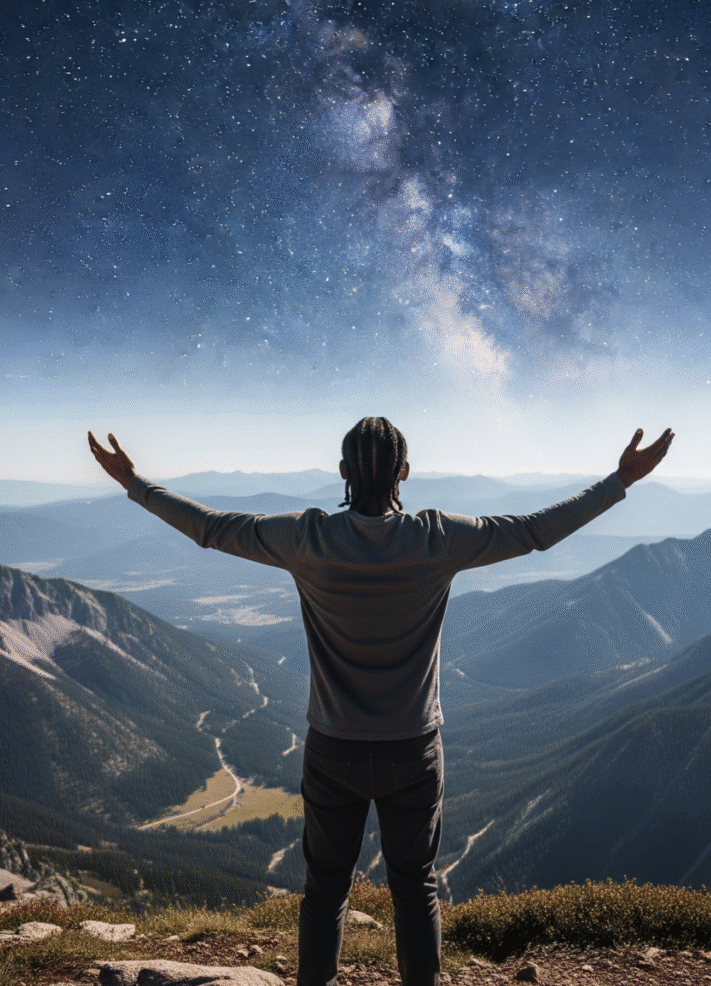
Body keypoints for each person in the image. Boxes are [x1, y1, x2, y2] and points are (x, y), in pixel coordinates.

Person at [88, 418, 674, 986]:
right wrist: (619, 480)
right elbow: (533, 531)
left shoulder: (306, 537)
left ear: (342, 471)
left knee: (325, 889)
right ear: (406, 473)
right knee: (414, 886)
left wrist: (134, 483)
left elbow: (210, 527)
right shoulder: (437, 538)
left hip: (332, 749)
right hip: (413, 750)